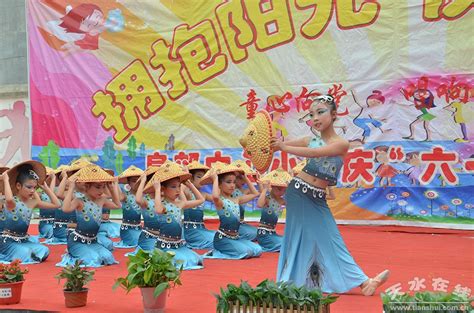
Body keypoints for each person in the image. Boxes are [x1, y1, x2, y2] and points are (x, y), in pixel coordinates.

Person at [271, 94, 390, 295]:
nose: (315, 118)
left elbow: (317, 153)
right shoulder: (310, 139)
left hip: (316, 197)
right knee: (321, 238)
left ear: (334, 114)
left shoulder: (341, 143)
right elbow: (285, 143)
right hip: (299, 193)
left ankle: (302, 281)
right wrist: (272, 143)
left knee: (324, 239)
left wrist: (285, 148)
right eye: (311, 114)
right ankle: (363, 282)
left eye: (320, 112)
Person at [139, 162, 204, 270]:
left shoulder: (180, 204)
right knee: (182, 261)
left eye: (179, 186)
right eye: (173, 187)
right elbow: (158, 210)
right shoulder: (162, 204)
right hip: (164, 247)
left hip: (178, 245)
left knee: (196, 259)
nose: (178, 190)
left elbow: (201, 199)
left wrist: (189, 184)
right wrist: (157, 189)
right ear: (164, 189)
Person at [57, 165, 120, 267]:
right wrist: (71, 188)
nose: (101, 190)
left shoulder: (102, 199)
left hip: (93, 241)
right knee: (94, 259)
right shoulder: (79, 201)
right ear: (87, 186)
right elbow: (65, 209)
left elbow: (117, 205)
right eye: (98, 187)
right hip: (78, 242)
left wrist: (112, 189)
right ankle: (72, 254)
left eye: (103, 187)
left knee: (108, 257)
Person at [0, 162, 60, 264]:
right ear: (18, 185)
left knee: (44, 250)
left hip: (24, 240)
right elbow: (9, 198)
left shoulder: (32, 202)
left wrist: (46, 189)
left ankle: (25, 253)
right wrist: (6, 180)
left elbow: (57, 204)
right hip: (8, 242)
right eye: (29, 187)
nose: (32, 191)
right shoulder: (10, 202)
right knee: (26, 252)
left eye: (34, 187)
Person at [202, 162, 262, 259]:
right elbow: (215, 196)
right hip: (223, 239)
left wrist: (246, 178)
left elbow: (255, 194)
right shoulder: (220, 201)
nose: (232, 185)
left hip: (236, 238)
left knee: (258, 250)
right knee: (247, 252)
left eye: (234, 182)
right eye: (228, 182)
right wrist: (215, 179)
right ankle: (215, 252)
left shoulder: (237, 199)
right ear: (220, 185)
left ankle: (234, 247)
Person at [256, 168, 291, 252]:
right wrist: (264, 189)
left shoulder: (282, 201)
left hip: (273, 233)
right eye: (279, 189)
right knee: (288, 246)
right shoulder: (267, 199)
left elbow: (295, 204)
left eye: (284, 190)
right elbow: (259, 204)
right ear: (272, 186)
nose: (281, 192)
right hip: (264, 234)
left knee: (292, 242)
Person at [182, 161, 216, 249]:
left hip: (201, 229)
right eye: (198, 177)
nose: (201, 180)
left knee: (223, 237)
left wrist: (215, 181)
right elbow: (182, 188)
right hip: (191, 231)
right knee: (219, 242)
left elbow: (216, 198)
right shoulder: (188, 193)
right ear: (191, 179)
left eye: (203, 177)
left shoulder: (203, 194)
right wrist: (185, 175)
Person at [114, 165, 143, 248]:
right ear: (128, 183)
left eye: (139, 181)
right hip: (127, 229)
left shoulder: (143, 197)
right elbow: (119, 196)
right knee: (138, 242)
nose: (137, 183)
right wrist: (116, 182)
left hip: (139, 228)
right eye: (134, 181)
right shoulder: (125, 196)